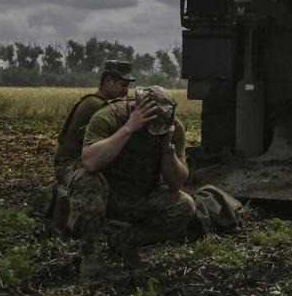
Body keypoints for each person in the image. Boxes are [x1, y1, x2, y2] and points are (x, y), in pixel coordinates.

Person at [72, 85, 195, 280]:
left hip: (139, 195)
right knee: (88, 180)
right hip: (105, 194)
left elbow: (176, 183)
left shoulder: (172, 127)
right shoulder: (108, 117)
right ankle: (90, 255)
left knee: (184, 204)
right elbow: (90, 162)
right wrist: (129, 128)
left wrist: (167, 148)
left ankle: (124, 240)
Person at [53, 59, 135, 185]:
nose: (126, 90)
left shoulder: (99, 101)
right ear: (108, 81)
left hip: (80, 159)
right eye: (123, 85)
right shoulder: (97, 105)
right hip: (68, 164)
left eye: (127, 86)